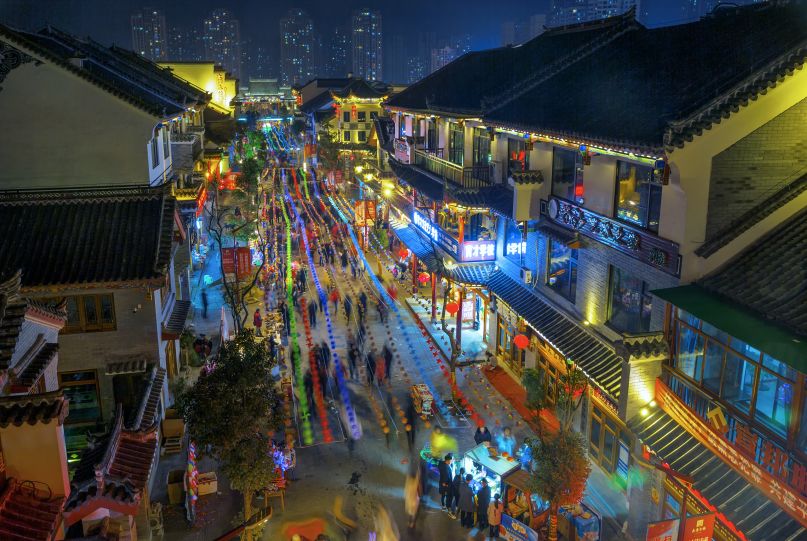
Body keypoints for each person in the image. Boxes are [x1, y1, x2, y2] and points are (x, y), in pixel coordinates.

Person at [404, 463, 421, 529]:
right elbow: (417, 479)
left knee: (410, 513)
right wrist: (418, 472)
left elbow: (408, 479)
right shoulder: (414, 484)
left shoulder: (409, 483)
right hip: (413, 502)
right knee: (413, 513)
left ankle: (410, 522)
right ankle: (412, 522)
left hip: (409, 501)